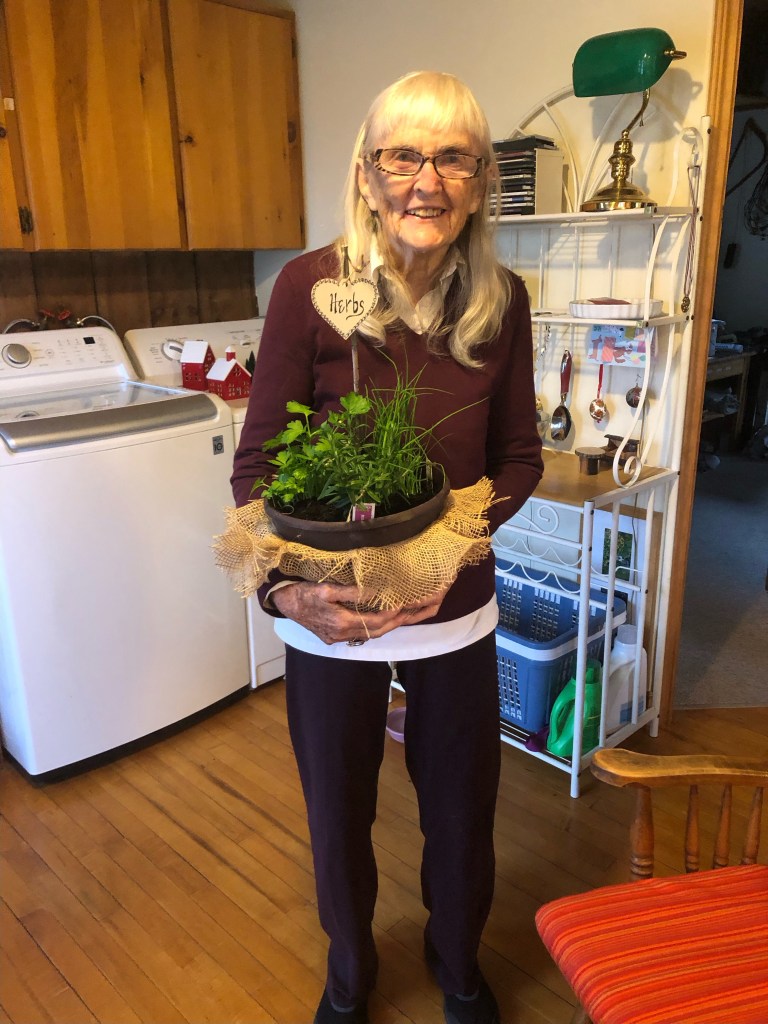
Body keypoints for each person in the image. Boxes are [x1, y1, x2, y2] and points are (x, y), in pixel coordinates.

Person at [232, 70, 543, 1024]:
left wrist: (449, 549)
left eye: (454, 158)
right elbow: (257, 470)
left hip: (454, 610)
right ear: (367, 175)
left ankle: (457, 966)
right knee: (338, 811)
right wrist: (286, 595)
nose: (428, 181)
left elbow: (519, 457)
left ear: (482, 180)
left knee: (461, 812)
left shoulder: (502, 302)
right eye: (403, 156)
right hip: (333, 609)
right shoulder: (310, 289)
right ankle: (350, 973)